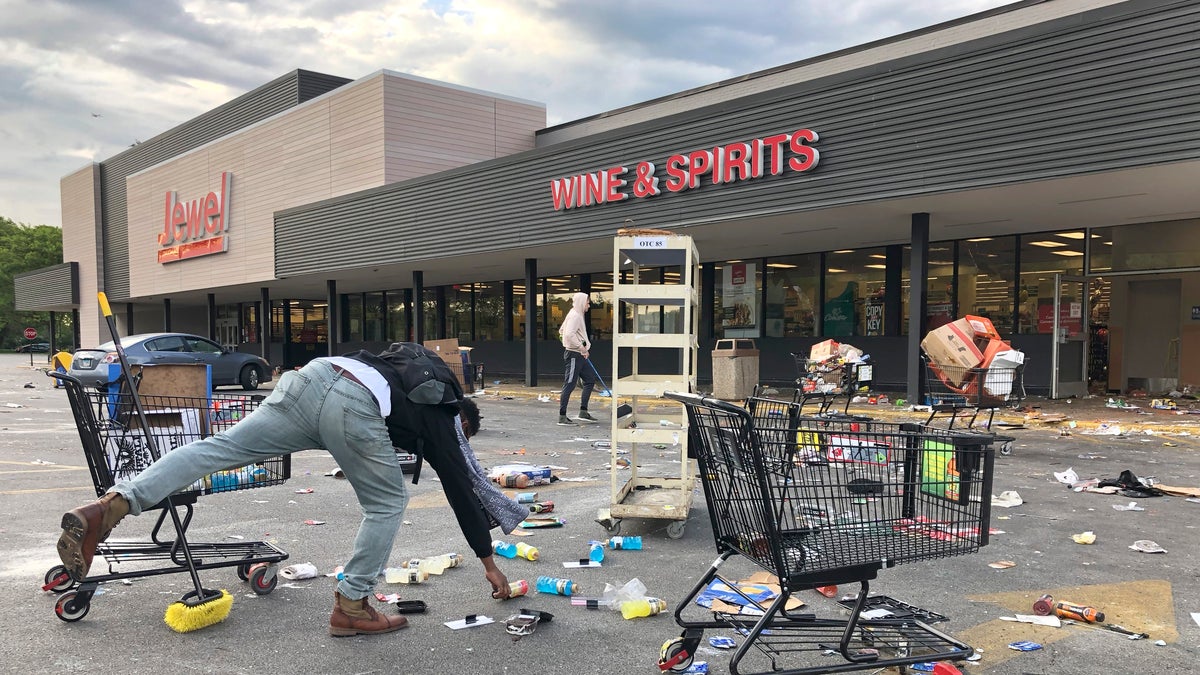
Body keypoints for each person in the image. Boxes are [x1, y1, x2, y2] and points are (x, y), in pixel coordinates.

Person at [56, 343, 524, 637]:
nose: (459, 444)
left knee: (217, 448)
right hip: (350, 402)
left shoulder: (409, 373)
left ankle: (111, 505)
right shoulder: (446, 419)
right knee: (388, 502)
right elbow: (462, 490)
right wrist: (489, 564)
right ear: (463, 419)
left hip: (311, 378)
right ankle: (354, 604)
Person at [557, 291, 598, 426]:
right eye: (587, 302)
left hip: (579, 354)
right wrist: (580, 347)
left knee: (590, 379)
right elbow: (568, 335)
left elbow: (561, 331)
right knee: (569, 384)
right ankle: (562, 417)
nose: (589, 305)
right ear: (582, 302)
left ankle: (583, 411)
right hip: (574, 355)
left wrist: (581, 348)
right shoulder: (575, 316)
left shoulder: (575, 314)